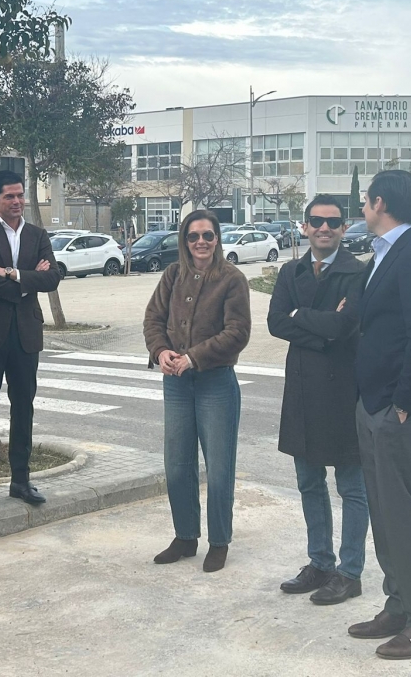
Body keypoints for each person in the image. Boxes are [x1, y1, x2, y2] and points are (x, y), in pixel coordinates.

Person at [348, 169, 411, 660]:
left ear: (380, 203)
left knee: (401, 516)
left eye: (365, 202)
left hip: (398, 409)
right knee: (384, 514)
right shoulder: (383, 256)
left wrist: (403, 405)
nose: (361, 209)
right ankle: (399, 606)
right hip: (373, 404)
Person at [267, 194, 369, 606]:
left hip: (345, 392)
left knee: (351, 487)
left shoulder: (357, 273)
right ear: (304, 227)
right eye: (316, 221)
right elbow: (276, 323)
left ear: (344, 228)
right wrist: (324, 327)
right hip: (303, 393)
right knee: (309, 482)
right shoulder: (290, 272)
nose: (324, 228)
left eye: (332, 222)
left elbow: (348, 326)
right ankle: (320, 563)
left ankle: (350, 572)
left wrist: (301, 318)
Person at [143, 210, 251, 573]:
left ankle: (218, 541)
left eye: (207, 235)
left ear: (217, 239)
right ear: (184, 241)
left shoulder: (232, 279)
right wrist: (161, 352)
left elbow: (237, 332)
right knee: (176, 466)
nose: (200, 242)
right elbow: (153, 319)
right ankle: (185, 536)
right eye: (193, 236)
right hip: (175, 383)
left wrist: (192, 357)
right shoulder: (172, 275)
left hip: (215, 383)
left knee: (219, 469)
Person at [0, 170, 61, 512]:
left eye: (20, 195)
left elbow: (54, 277)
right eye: (9, 197)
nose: (17, 202)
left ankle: (21, 480)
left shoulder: (36, 234)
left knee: (24, 408)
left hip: (26, 334)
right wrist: (31, 277)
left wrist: (15, 273)